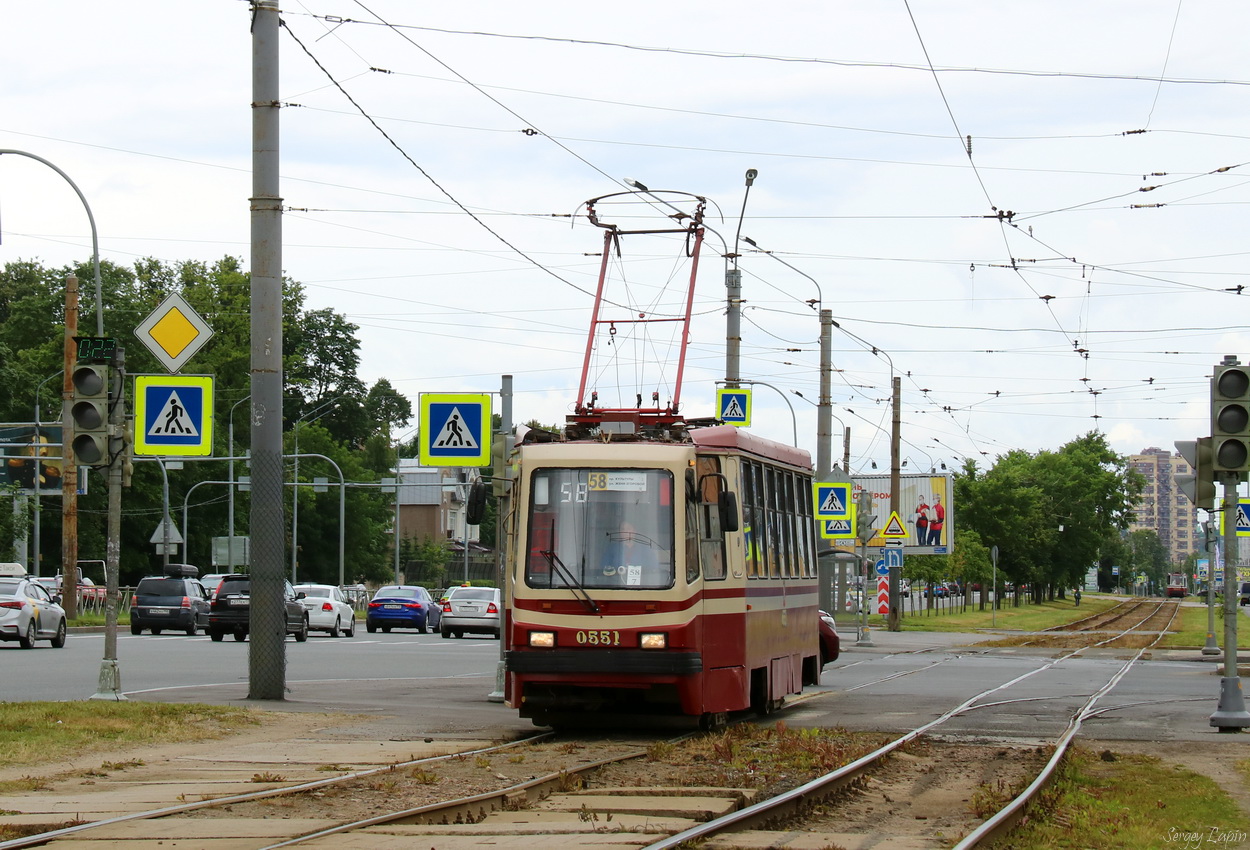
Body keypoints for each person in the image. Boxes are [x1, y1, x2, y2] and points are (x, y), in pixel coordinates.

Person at [601, 521, 659, 586]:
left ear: (634, 531)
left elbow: (654, 569)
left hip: (642, 587)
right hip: (616, 586)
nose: (625, 531)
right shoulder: (612, 549)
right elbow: (604, 568)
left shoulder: (645, 549)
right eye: (622, 529)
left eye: (628, 528)